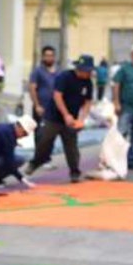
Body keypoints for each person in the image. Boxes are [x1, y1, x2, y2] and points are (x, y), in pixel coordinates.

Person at [25, 54, 95, 184]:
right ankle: (35, 162)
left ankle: (74, 171)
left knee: (71, 146)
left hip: (72, 119)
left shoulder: (88, 82)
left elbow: (88, 101)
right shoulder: (64, 77)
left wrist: (82, 118)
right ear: (79, 69)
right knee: (44, 140)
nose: (88, 73)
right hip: (54, 116)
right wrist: (66, 114)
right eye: (85, 71)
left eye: (89, 71)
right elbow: (58, 96)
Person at [0, 116, 37, 188]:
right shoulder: (8, 135)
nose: (24, 136)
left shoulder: (7, 129)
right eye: (24, 133)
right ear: (19, 127)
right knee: (18, 159)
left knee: (19, 158)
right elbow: (9, 160)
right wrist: (22, 179)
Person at [28, 45, 60, 167]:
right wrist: (37, 105)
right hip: (41, 108)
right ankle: (40, 159)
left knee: (51, 135)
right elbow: (32, 88)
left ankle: (47, 157)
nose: (49, 58)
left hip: (54, 109)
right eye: (47, 55)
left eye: (51, 55)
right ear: (42, 57)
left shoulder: (58, 72)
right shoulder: (38, 72)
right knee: (40, 134)